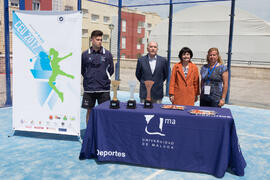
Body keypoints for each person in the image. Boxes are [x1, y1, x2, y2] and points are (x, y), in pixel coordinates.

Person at [81, 30, 114, 125]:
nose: (99, 41)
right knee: (89, 112)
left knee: (104, 112)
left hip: (103, 89)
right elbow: (82, 70)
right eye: (97, 39)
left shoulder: (107, 54)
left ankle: (103, 133)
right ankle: (89, 134)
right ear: (92, 40)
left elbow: (111, 70)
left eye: (101, 40)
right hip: (89, 89)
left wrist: (103, 79)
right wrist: (89, 77)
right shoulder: (85, 54)